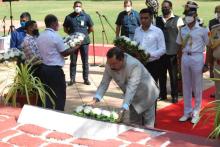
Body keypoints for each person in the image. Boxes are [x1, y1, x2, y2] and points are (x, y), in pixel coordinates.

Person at [88, 47, 159, 128]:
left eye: (114, 64)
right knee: (134, 124)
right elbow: (104, 82)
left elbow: (131, 88)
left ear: (122, 60)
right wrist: (96, 99)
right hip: (131, 97)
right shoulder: (110, 64)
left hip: (147, 93)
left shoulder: (134, 65)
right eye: (109, 63)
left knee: (148, 125)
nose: (111, 66)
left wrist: (124, 107)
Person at [37, 14, 80, 111]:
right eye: (57, 23)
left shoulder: (40, 36)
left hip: (43, 68)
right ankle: (58, 113)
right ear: (53, 23)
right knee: (59, 95)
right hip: (54, 70)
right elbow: (64, 52)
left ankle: (47, 112)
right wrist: (76, 47)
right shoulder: (55, 36)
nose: (58, 25)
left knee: (46, 93)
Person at [176, 9, 209, 123]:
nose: (188, 17)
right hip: (185, 57)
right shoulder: (182, 29)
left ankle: (196, 112)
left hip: (197, 57)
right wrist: (179, 61)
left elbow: (209, 46)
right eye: (186, 15)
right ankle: (187, 112)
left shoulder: (202, 30)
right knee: (186, 86)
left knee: (197, 86)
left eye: (190, 15)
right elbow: (179, 46)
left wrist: (206, 64)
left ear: (195, 16)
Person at [156, 0, 184, 103]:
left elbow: (181, 37)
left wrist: (179, 54)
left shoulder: (178, 19)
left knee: (173, 76)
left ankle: (174, 95)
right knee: (161, 76)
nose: (164, 9)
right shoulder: (157, 19)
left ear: (171, 7)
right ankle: (162, 94)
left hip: (173, 53)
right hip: (161, 53)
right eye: (163, 7)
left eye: (166, 7)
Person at [63, 1, 94, 86]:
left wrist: (84, 35)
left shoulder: (86, 16)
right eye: (76, 6)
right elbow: (65, 28)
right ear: (73, 7)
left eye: (79, 6)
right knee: (73, 61)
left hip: (84, 42)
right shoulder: (69, 17)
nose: (78, 7)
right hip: (73, 43)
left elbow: (91, 28)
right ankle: (72, 79)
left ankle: (86, 79)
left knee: (85, 61)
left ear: (82, 7)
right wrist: (72, 36)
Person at [134, 8, 165, 82]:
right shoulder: (137, 30)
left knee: (152, 88)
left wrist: (149, 55)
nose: (143, 20)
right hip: (139, 64)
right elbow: (135, 45)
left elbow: (163, 49)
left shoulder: (158, 31)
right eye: (141, 18)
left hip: (153, 64)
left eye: (146, 18)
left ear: (151, 18)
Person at [207, 5, 220, 100]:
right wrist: (210, 66)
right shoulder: (213, 26)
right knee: (218, 90)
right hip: (217, 63)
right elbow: (210, 47)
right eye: (218, 12)